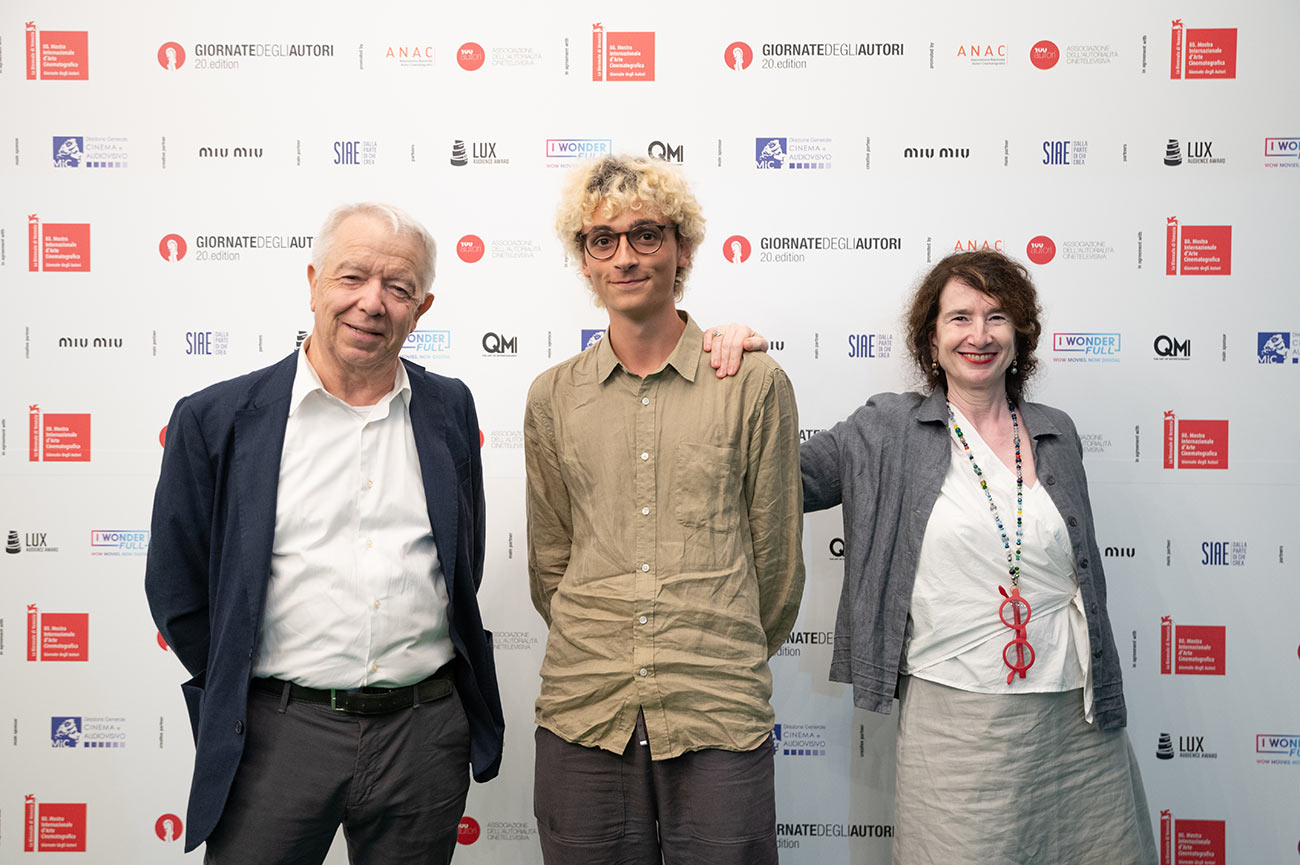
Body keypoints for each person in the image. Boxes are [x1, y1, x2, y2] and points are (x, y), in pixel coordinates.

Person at [144, 202, 505, 864]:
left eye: (398, 287)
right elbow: (177, 589)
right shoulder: (215, 418)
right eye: (352, 277)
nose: (372, 302)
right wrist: (249, 687)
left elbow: (463, 562)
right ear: (313, 282)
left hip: (423, 737)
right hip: (275, 736)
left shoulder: (450, 407)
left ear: (421, 309)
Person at [799, 249, 1156, 863]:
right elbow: (784, 477)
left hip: (1077, 717)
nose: (980, 335)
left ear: (1019, 336)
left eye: (997, 317)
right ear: (931, 341)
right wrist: (740, 375)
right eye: (960, 318)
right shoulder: (887, 428)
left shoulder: (1056, 430)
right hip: (955, 720)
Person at [524, 154, 805, 865]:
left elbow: (776, 566)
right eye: (603, 240)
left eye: (646, 234)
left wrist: (714, 647)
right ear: (584, 262)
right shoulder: (552, 396)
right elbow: (551, 560)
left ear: (682, 250)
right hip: (585, 706)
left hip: (717, 707)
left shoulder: (752, 384)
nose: (625, 256)